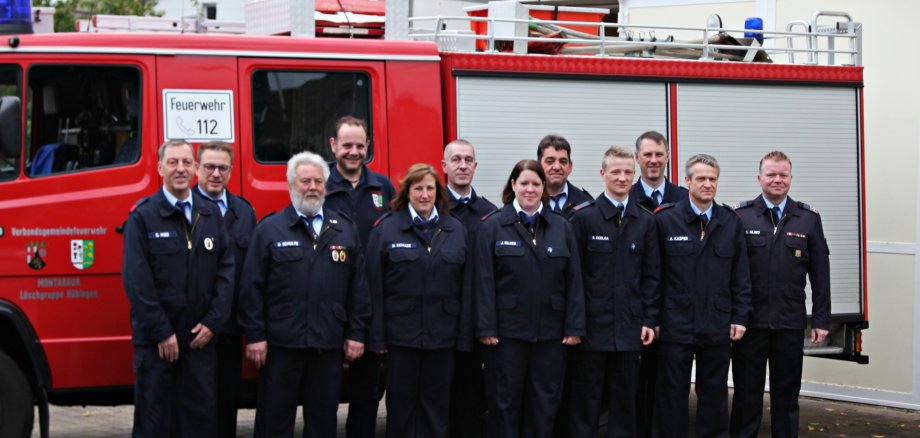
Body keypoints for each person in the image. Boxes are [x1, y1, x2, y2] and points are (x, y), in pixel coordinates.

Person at [238, 151, 370, 438]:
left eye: (318, 181)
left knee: (323, 423)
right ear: (291, 185)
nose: (312, 187)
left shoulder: (344, 230)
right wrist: (256, 336)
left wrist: (356, 333)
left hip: (328, 344)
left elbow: (358, 289)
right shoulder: (270, 229)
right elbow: (251, 287)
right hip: (280, 346)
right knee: (274, 421)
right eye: (305, 181)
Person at [122, 139, 234, 438]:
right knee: (155, 424)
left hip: (200, 342)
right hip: (157, 345)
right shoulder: (143, 217)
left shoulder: (210, 215)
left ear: (195, 168)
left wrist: (213, 323)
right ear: (160, 168)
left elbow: (226, 271)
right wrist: (161, 331)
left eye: (186, 162)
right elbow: (137, 281)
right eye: (173, 162)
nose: (180, 169)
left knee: (199, 423)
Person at [475, 159, 585, 438]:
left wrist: (574, 327)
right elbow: (483, 280)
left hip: (551, 334)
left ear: (543, 187)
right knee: (505, 403)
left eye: (536, 184)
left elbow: (574, 281)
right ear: (513, 185)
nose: (530, 189)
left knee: (544, 404)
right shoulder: (493, 226)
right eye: (524, 183)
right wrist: (486, 328)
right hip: (506, 335)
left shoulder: (561, 227)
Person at [730, 151, 831, 438]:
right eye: (771, 174)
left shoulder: (808, 219)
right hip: (750, 324)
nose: (777, 180)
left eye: (782, 175)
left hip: (789, 322)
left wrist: (821, 319)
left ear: (791, 178)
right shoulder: (740, 215)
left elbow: (820, 274)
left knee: (786, 396)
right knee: (747, 396)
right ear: (759, 178)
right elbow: (730, 272)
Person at [367, 163, 471, 438]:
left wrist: (463, 335)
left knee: (436, 410)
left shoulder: (456, 230)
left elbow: (467, 287)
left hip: (443, 338)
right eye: (418, 188)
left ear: (438, 192)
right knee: (401, 409)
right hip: (401, 339)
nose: (424, 195)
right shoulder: (387, 229)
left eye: (430, 188)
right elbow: (373, 287)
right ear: (407, 192)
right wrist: (376, 337)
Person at [652, 154, 752, 438]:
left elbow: (740, 275)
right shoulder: (666, 220)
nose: (708, 184)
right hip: (675, 325)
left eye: (713, 179)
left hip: (717, 324)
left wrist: (740, 316)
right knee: (671, 397)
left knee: (714, 395)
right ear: (687, 181)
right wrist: (655, 318)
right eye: (701, 179)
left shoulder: (730, 222)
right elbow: (654, 276)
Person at [566, 146, 661, 438]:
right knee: (586, 403)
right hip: (591, 331)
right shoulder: (582, 219)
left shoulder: (645, 221)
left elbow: (652, 277)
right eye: (616, 171)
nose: (622, 177)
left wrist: (649, 320)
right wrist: (575, 325)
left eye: (628, 172)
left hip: (629, 330)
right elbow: (572, 279)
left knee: (625, 403)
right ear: (602, 173)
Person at [323, 116, 395, 438]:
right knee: (323, 393)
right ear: (333, 146)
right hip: (329, 300)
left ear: (368, 147)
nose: (353, 152)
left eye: (360, 146)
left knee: (366, 393)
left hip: (371, 303)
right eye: (347, 145)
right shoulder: (319, 185)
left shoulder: (383, 187)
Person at [193, 141, 257, 438]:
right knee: (196, 407)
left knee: (225, 406)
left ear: (231, 171)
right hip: (194, 329)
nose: (216, 173)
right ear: (197, 169)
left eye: (222, 168)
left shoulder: (244, 212)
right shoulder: (184, 208)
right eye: (209, 167)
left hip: (230, 329)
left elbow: (251, 274)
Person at [630, 130, 688, 438]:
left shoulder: (683, 198)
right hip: (637, 310)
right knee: (638, 385)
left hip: (675, 311)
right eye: (647, 154)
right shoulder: (627, 197)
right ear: (637, 157)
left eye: (659, 154)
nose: (653, 160)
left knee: (671, 387)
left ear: (667, 157)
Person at [441, 139, 497, 438]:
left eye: (468, 160)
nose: (462, 165)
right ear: (444, 166)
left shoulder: (489, 213)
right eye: (456, 160)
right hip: (439, 324)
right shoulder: (432, 210)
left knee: (470, 402)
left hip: (476, 325)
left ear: (475, 166)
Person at [537, 134, 592, 217]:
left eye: (563, 161)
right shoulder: (528, 201)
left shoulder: (586, 203)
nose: (557, 167)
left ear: (570, 166)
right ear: (538, 165)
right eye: (550, 161)